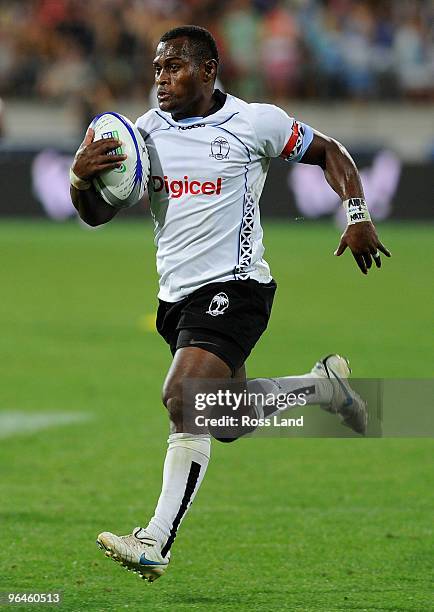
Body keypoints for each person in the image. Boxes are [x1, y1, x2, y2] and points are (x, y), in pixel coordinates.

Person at [70, 26, 391, 583]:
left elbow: (329, 151)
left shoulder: (253, 122)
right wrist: (80, 181)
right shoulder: (142, 134)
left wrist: (357, 214)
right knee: (228, 419)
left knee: (184, 398)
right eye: (156, 69)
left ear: (208, 71)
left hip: (236, 288)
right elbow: (96, 215)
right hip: (176, 301)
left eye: (173, 67)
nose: (160, 79)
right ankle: (322, 388)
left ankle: (155, 539)